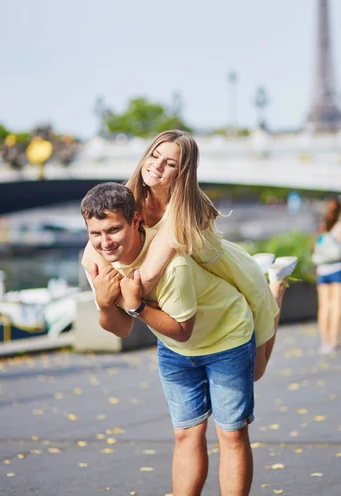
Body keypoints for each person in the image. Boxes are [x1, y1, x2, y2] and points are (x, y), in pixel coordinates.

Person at [81, 182, 282, 496]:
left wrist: (136, 306)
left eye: (114, 230)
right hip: (176, 350)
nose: (105, 242)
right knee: (186, 434)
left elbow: (181, 328)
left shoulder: (171, 265)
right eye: (96, 234)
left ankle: (275, 288)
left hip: (226, 335)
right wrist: (107, 303)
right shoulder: (101, 263)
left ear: (135, 221)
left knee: (231, 432)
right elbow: (120, 329)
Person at [81, 130, 296, 380]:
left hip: (228, 269)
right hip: (201, 278)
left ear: (182, 172)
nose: (157, 166)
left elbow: (148, 276)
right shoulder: (129, 200)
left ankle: (276, 285)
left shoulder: (183, 209)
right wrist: (107, 294)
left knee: (257, 371)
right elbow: (89, 255)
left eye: (170, 163)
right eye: (154, 155)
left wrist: (124, 299)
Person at [314, 196, 341, 354]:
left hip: (322, 270)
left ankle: (325, 342)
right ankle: (335, 341)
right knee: (337, 306)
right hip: (337, 269)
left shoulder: (322, 227)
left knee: (324, 307)